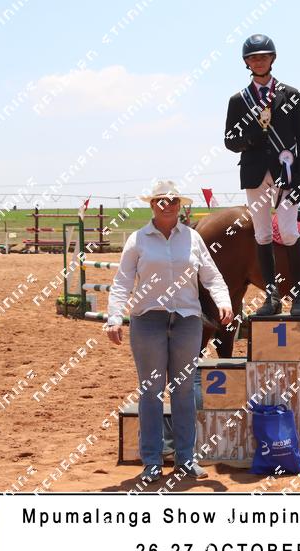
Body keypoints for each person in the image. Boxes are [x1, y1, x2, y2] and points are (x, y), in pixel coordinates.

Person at [105, 180, 234, 482]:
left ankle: (185, 459)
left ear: (180, 205)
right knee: (151, 392)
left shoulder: (193, 238)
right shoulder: (138, 240)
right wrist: (114, 317)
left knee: (184, 390)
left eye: (174, 200)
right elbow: (123, 280)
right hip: (148, 320)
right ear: (152, 205)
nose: (169, 205)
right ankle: (151, 461)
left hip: (187, 320)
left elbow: (211, 275)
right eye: (162, 200)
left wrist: (224, 301)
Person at [224, 33, 300, 317]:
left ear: (272, 59)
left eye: (263, 56)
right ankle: (272, 296)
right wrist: (253, 135)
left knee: (288, 231)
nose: (259, 61)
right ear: (247, 63)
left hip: (286, 172)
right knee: (262, 234)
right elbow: (229, 140)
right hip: (254, 174)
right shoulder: (238, 100)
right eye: (253, 58)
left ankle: (299, 295)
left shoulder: (291, 95)